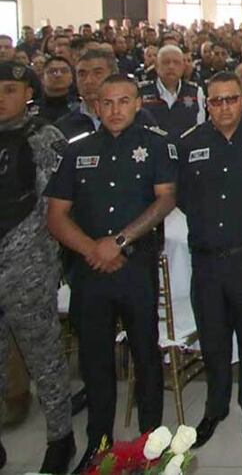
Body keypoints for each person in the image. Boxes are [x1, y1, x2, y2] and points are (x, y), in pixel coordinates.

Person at [45, 74, 177, 473]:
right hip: (90, 272)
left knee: (146, 356)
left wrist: (118, 242)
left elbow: (166, 198)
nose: (116, 109)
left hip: (135, 267)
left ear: (138, 103)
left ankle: (151, 443)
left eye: (124, 101)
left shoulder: (154, 146)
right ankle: (98, 443)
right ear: (96, 106)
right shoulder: (76, 151)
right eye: (108, 102)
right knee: (96, 360)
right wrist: (93, 249)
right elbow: (56, 215)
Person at [176, 72, 242, 448]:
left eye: (231, 99)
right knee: (214, 338)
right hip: (208, 261)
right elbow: (180, 197)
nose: (225, 106)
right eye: (216, 101)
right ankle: (215, 407)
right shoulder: (189, 144)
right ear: (206, 105)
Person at [0, 61, 75, 473]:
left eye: (10, 89)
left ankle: (59, 436)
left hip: (27, 264)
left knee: (44, 355)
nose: (1, 97)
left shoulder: (44, 138)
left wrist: (11, 253)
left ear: (28, 93)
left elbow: (53, 206)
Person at [138, 45, 205, 138]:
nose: (171, 66)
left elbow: (200, 128)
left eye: (176, 62)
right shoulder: (141, 92)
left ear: (183, 67)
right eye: (166, 62)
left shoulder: (196, 92)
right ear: (157, 66)